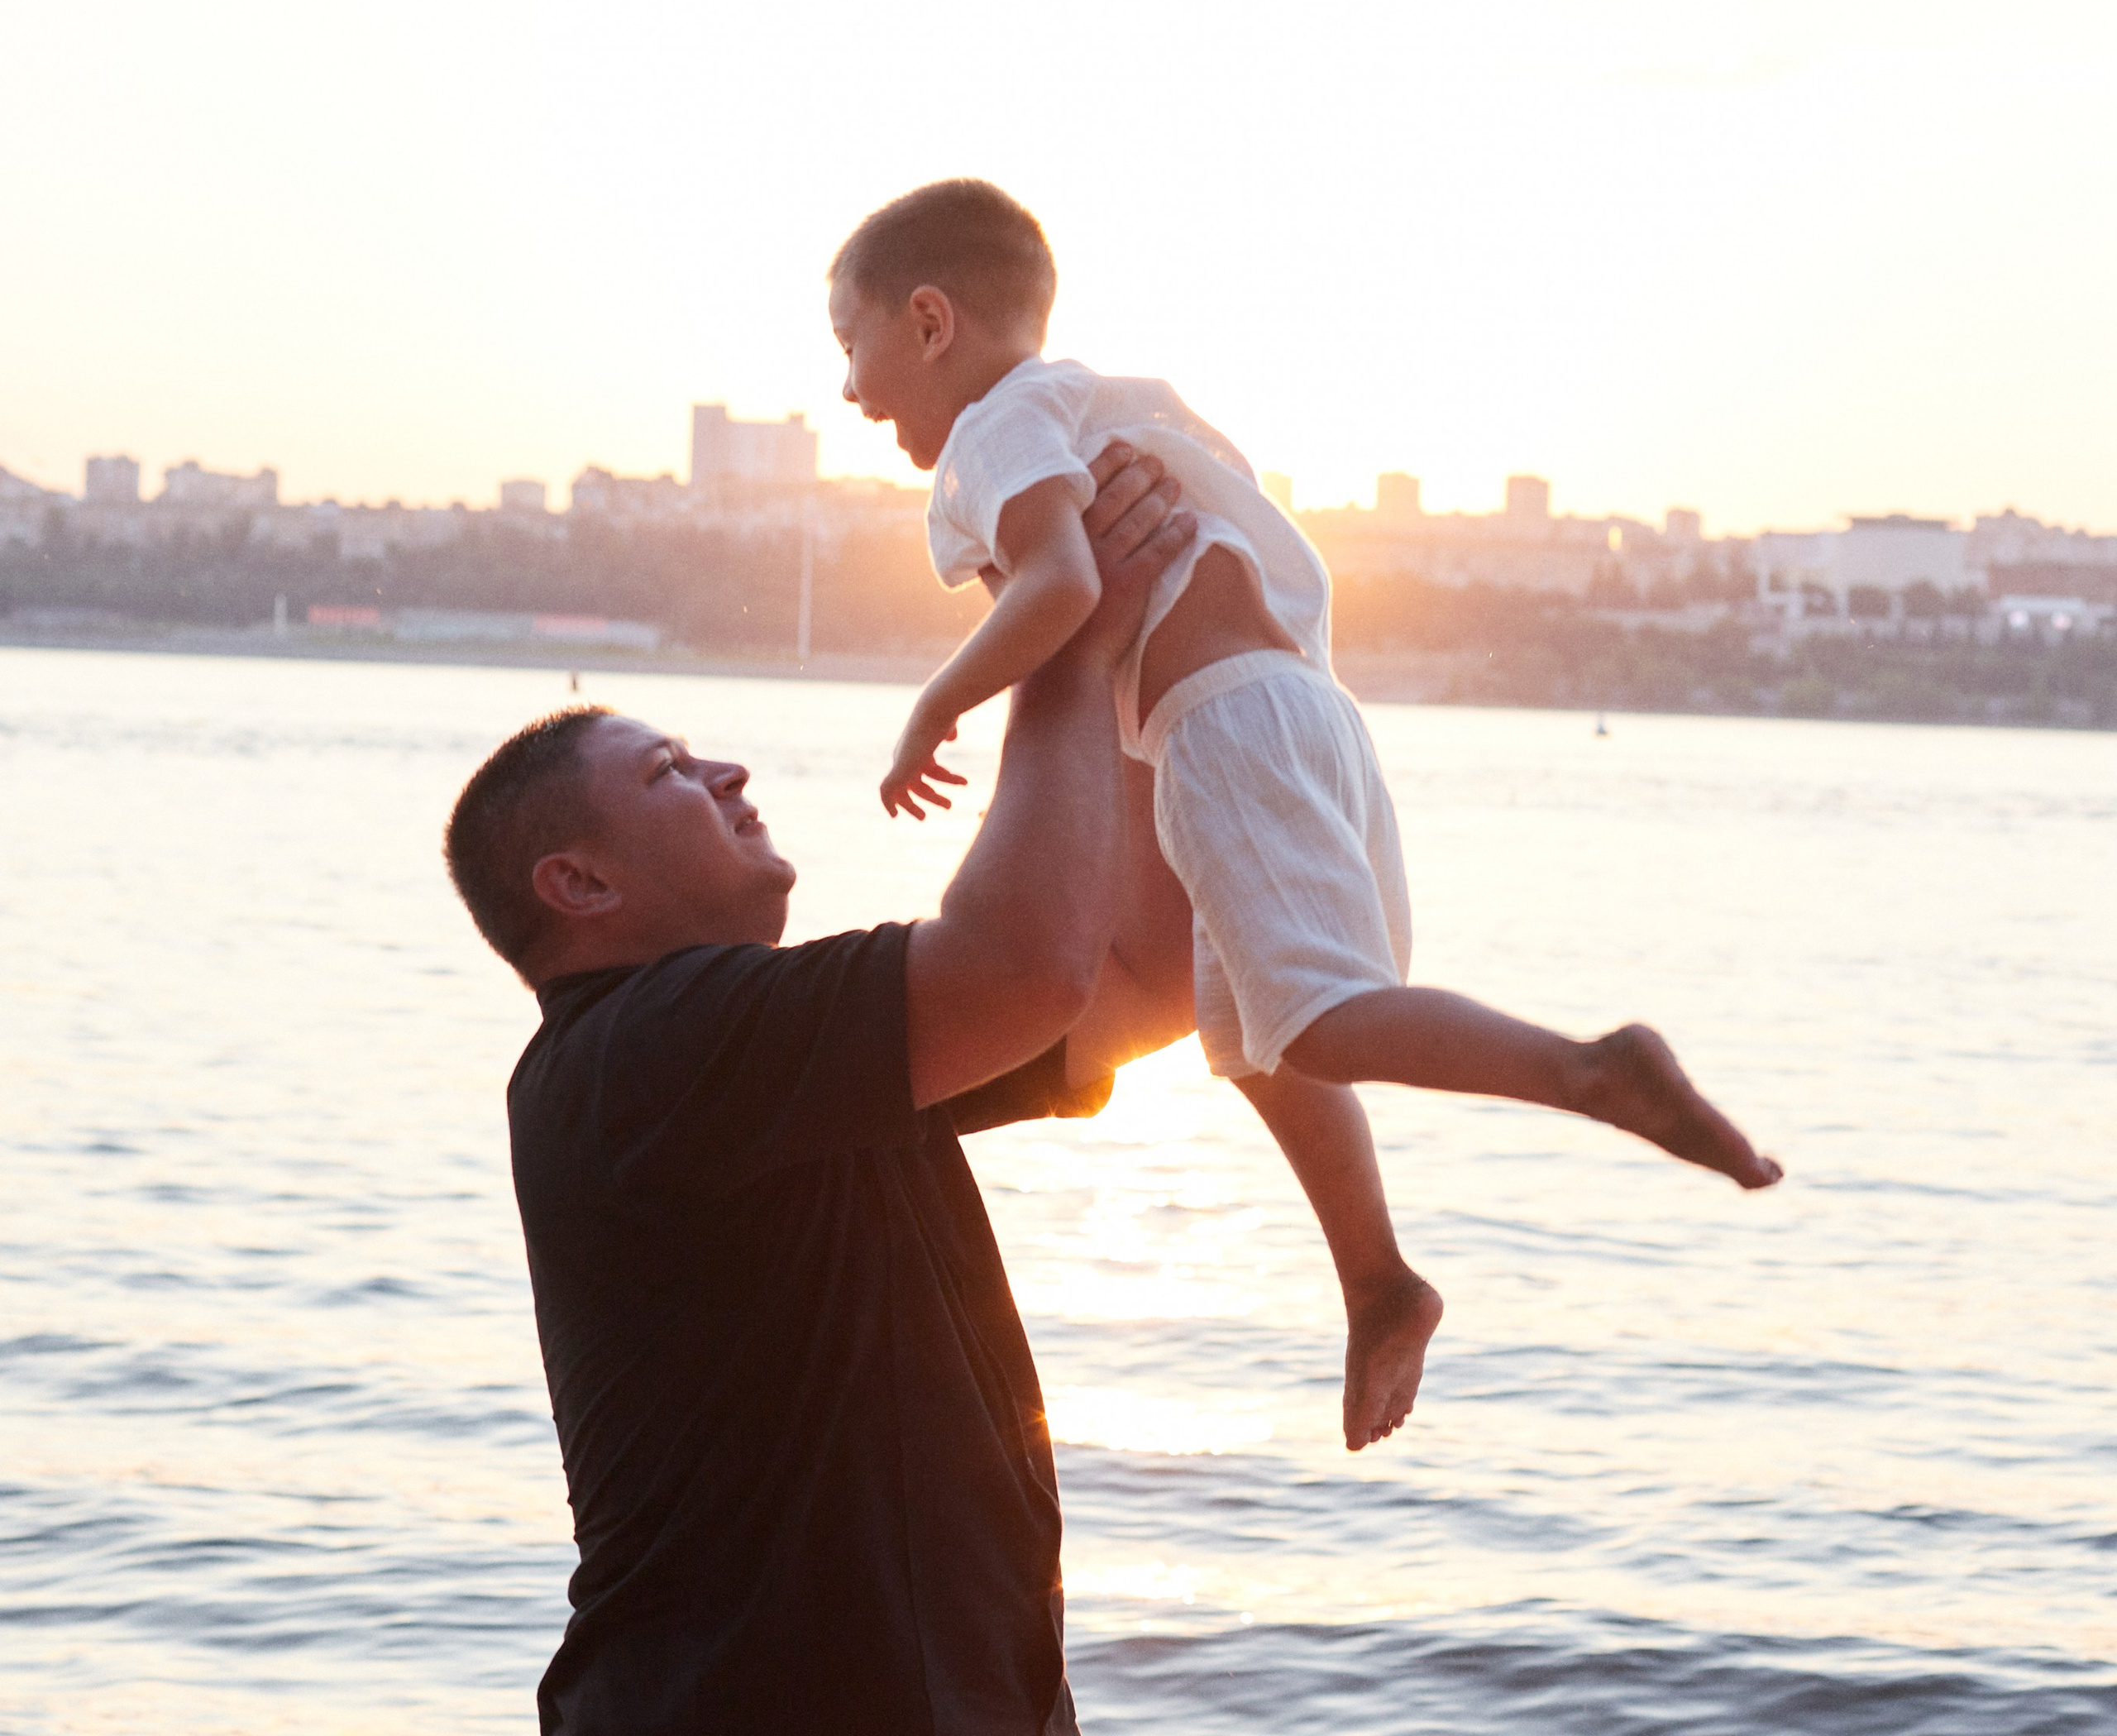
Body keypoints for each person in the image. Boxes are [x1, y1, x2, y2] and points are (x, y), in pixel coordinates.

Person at [829, 177, 1784, 1446]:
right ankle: (1379, 1279)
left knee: (1323, 1022)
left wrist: (934, 706)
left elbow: (1061, 583)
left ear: (932, 321)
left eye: (853, 345)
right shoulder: (1124, 405)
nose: (850, 389)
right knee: (1260, 1032)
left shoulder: (997, 433)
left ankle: (1588, 1072)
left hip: (1220, 727)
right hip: (1305, 715)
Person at [444, 445, 1202, 1736]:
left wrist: (1134, 674)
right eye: (669, 771)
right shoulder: (640, 1056)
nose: (729, 774)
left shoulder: (773, 1058)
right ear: (578, 886)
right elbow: (1026, 966)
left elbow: (1143, 973)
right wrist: (1062, 632)